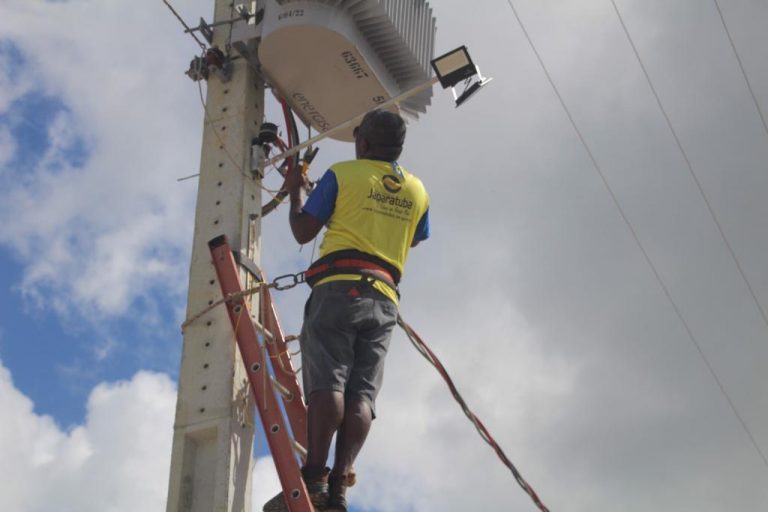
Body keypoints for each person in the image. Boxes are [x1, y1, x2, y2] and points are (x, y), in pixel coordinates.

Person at [264, 109, 430, 512]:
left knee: (329, 384)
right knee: (362, 395)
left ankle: (313, 479)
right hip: (384, 299)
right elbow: (412, 237)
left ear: (364, 142)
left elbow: (302, 230)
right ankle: (339, 488)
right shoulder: (417, 190)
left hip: (339, 289)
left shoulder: (343, 174)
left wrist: (297, 192)